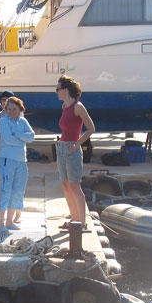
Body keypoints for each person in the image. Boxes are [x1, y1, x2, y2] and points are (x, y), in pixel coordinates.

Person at [55, 75, 95, 231]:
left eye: (58, 89)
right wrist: (61, 141)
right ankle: (74, 219)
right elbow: (66, 128)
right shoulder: (64, 106)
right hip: (61, 148)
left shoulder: (78, 107)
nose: (56, 92)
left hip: (72, 150)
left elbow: (91, 128)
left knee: (75, 186)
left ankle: (82, 223)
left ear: (66, 90)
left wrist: (76, 144)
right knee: (65, 185)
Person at [0, 97, 35, 232]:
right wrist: (22, 140)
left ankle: (9, 222)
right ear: (5, 110)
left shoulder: (23, 121)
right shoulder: (3, 121)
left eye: (15, 109)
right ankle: (1, 223)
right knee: (5, 189)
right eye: (9, 109)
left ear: (20, 109)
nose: (12, 111)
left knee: (18, 191)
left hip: (21, 161)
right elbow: (7, 139)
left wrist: (17, 134)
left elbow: (31, 136)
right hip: (7, 159)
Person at [0, 90, 21, 223]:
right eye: (3, 100)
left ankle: (17, 212)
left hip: (15, 155)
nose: (6, 102)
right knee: (0, 184)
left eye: (8, 99)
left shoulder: (19, 116)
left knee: (16, 184)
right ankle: (1, 213)